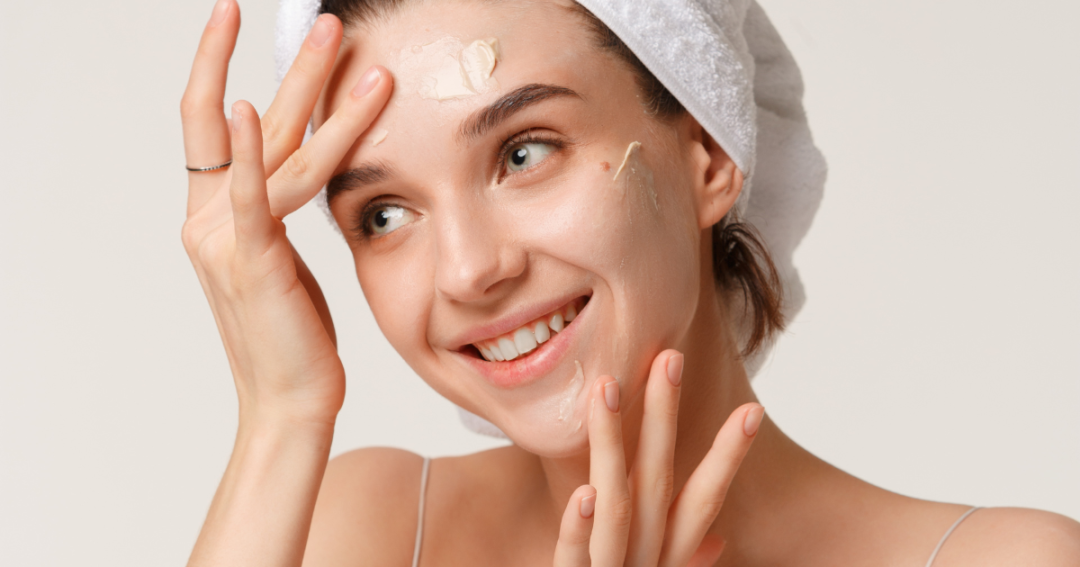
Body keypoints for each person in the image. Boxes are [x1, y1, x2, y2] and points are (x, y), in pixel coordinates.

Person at [178, 0, 1080, 565]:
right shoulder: (365, 527)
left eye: (524, 152)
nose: (468, 268)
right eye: (383, 212)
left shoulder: (1001, 559)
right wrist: (281, 412)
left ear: (710, 152)